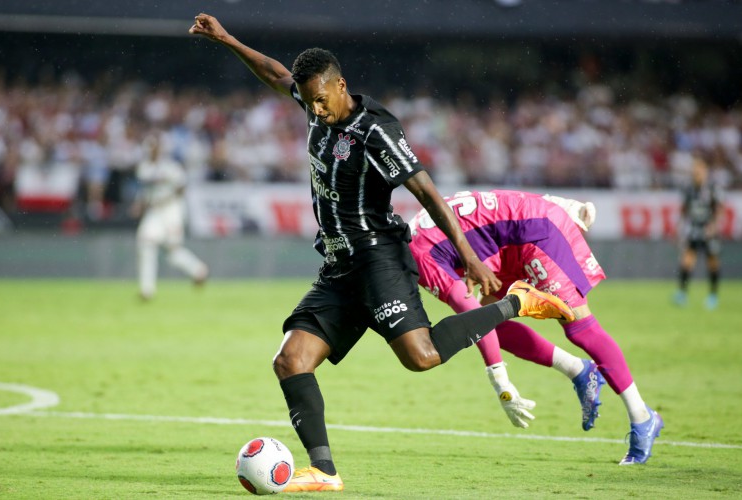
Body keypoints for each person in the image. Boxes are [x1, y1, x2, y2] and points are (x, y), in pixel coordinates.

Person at [190, 13, 574, 492]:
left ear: (341, 85)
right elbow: (275, 74)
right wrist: (226, 39)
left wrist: (469, 255)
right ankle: (325, 472)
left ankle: (518, 301)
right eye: (307, 102)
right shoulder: (313, 102)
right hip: (339, 266)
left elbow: (428, 193)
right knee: (290, 361)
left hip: (379, 259)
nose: (314, 110)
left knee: (422, 356)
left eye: (321, 100)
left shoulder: (376, 132)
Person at [408, 189, 664, 465]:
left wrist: (500, 382)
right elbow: (493, 202)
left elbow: (466, 307)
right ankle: (579, 370)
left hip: (536, 233)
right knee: (491, 322)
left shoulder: (417, 256)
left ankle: (642, 417)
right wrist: (558, 202)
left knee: (579, 328)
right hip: (507, 245)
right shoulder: (412, 228)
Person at [134, 133, 208, 301]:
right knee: (145, 243)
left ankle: (198, 270)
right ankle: (147, 290)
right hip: (154, 211)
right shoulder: (144, 168)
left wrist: (166, 198)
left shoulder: (171, 167)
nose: (153, 151)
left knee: (173, 252)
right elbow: (145, 192)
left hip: (171, 209)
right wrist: (139, 204)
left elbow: (182, 187)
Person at [674, 155, 724, 310]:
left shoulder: (712, 188)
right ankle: (682, 294)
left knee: (712, 263)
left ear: (705, 171)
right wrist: (679, 227)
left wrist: (714, 226)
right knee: (687, 261)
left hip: (708, 230)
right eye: (694, 170)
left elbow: (720, 209)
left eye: (699, 170)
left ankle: (713, 296)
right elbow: (684, 211)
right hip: (694, 229)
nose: (696, 173)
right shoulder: (688, 189)